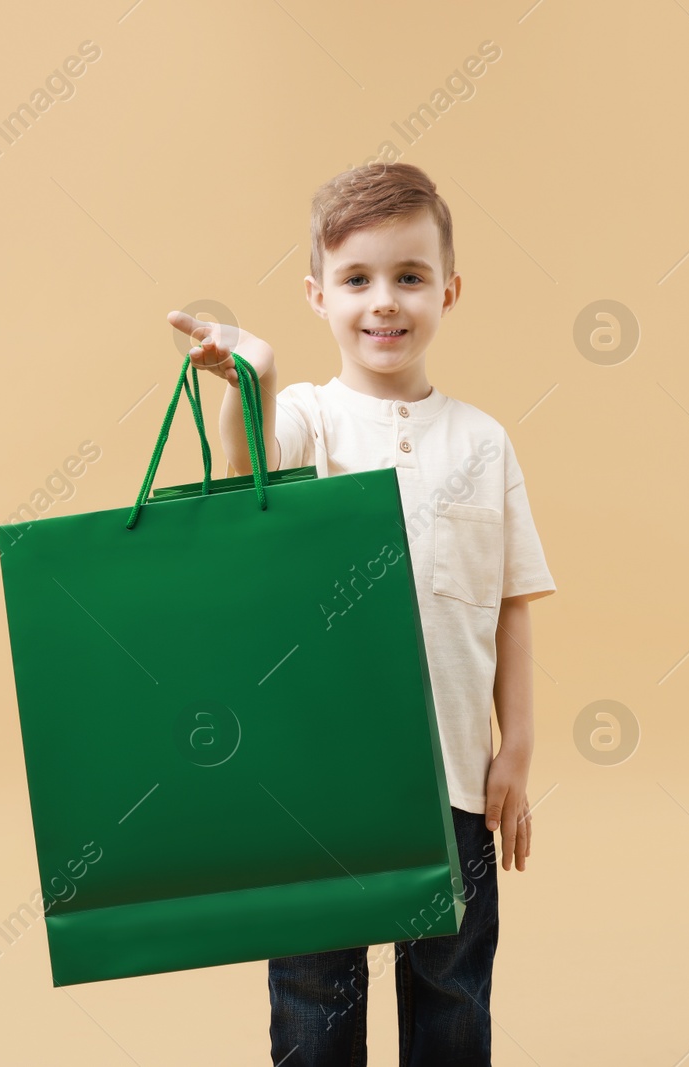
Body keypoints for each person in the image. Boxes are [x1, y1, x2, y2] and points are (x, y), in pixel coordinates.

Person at [167, 161, 556, 1066]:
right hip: (317, 785)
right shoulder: (309, 416)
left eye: (409, 277)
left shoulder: (485, 440)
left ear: (449, 292)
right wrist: (251, 377)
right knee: (315, 996)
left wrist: (519, 743)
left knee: (452, 990)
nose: (384, 302)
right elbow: (248, 468)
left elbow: (510, 601)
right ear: (318, 295)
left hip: (454, 779)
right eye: (357, 280)